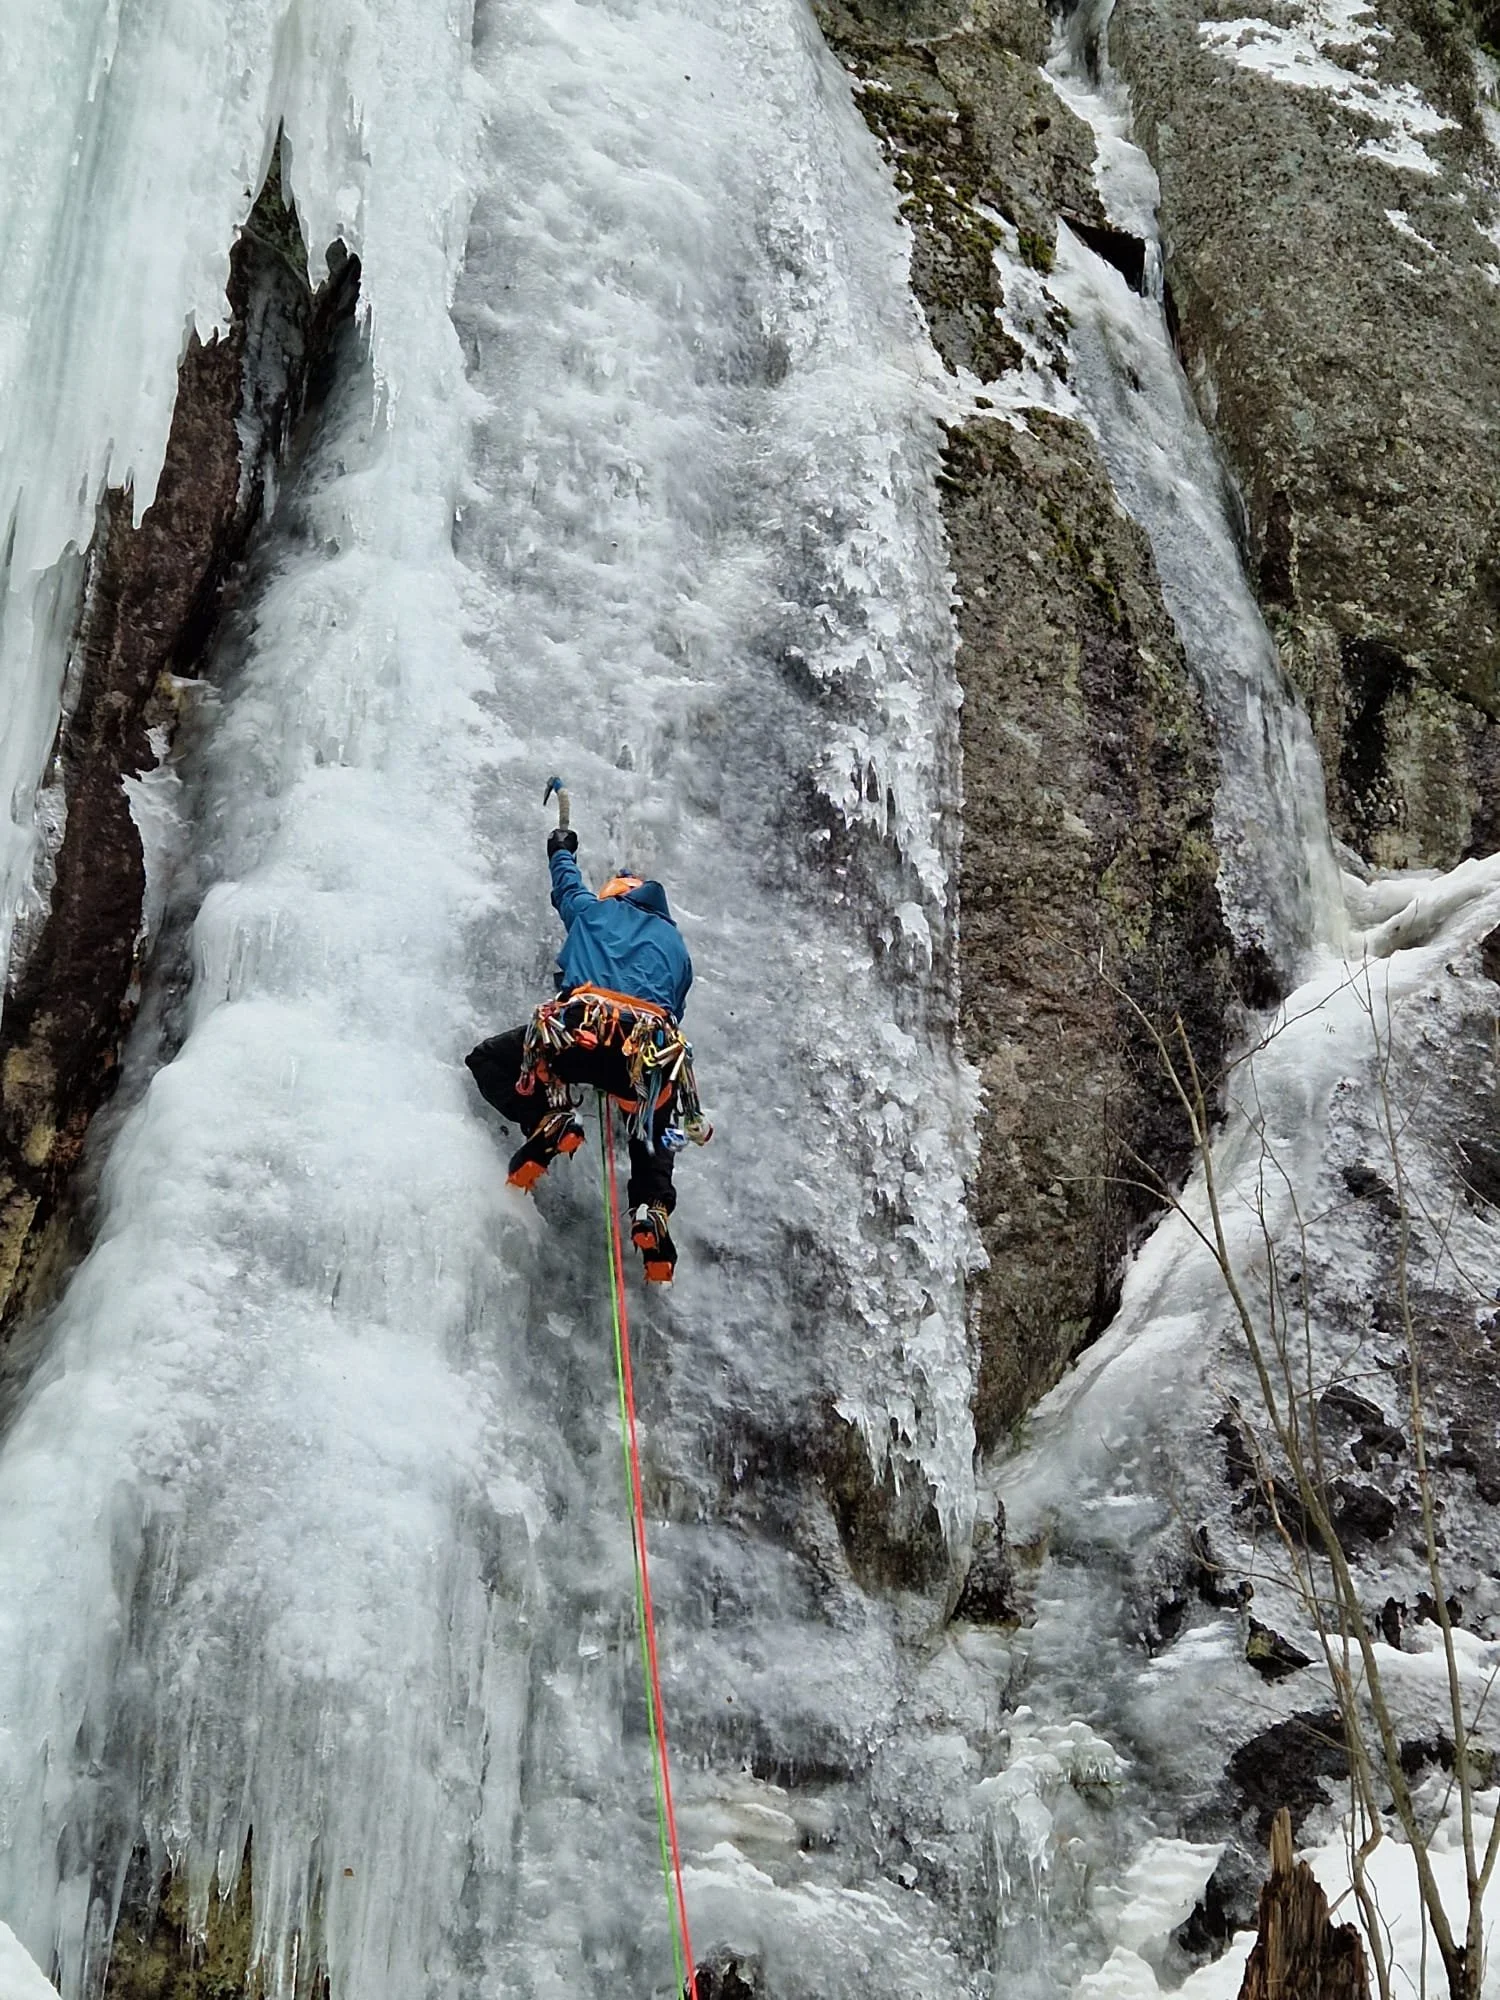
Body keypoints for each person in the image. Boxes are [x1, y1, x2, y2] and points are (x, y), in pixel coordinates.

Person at [466, 821, 708, 1282]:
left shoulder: (594, 911)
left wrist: (561, 847)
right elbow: (673, 1009)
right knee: (652, 1121)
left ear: (616, 894)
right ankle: (652, 1208)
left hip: (578, 1034)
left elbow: (566, 885)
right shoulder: (677, 948)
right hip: (645, 1053)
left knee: (489, 1059)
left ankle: (548, 1118)